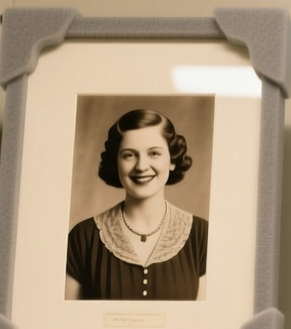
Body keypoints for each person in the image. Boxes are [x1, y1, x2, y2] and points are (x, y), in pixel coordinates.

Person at [66, 109, 208, 300]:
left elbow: (206, 317)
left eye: (154, 153)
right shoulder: (83, 238)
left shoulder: (201, 236)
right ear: (116, 162)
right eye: (129, 155)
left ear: (172, 160)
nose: (141, 166)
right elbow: (67, 317)